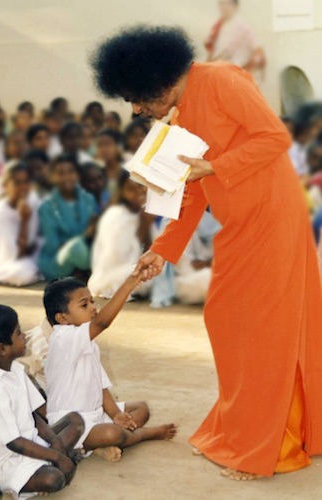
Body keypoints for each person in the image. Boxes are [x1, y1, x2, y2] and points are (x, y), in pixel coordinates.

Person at [91, 25, 322, 480]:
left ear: (159, 78)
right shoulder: (176, 115)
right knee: (227, 321)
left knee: (262, 332)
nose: (135, 108)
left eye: (136, 97)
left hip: (274, 221)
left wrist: (215, 165)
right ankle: (243, 430)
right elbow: (191, 190)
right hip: (239, 226)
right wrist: (162, 249)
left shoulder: (219, 80)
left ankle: (269, 448)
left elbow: (274, 138)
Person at [44, 277, 177, 461]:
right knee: (112, 434)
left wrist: (116, 415)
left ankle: (97, 446)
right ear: (62, 318)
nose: (93, 307)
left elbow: (101, 386)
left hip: (96, 415)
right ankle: (143, 434)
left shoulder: (87, 342)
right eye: (84, 305)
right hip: (70, 426)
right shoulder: (63, 338)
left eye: (92, 301)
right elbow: (102, 323)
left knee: (142, 408)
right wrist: (130, 283)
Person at [0, 305, 84, 497]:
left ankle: (54, 460)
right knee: (54, 479)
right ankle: (48, 467)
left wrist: (54, 441)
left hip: (31, 443)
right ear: (2, 349)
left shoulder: (15, 370)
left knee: (75, 421)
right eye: (18, 333)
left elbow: (34, 415)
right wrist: (57, 455)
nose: (25, 336)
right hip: (1, 462)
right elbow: (15, 444)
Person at [88, 170, 152, 299]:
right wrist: (144, 226)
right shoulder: (116, 216)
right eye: (130, 189)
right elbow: (120, 258)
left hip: (133, 269)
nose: (138, 192)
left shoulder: (144, 213)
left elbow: (150, 250)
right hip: (112, 277)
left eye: (141, 186)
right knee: (150, 277)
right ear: (121, 192)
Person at [38, 154, 97, 280]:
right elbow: (52, 245)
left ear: (77, 175)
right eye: (60, 173)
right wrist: (84, 235)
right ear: (52, 177)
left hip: (87, 254)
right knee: (76, 248)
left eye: (71, 172)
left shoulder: (88, 199)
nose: (66, 177)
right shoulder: (47, 207)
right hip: (58, 260)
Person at [204, 0, 265, 77]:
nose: (224, 7)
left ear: (235, 6)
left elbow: (257, 49)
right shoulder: (217, 26)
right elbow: (212, 50)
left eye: (228, 4)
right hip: (218, 71)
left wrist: (248, 67)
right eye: (222, 4)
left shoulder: (243, 27)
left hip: (235, 72)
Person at [95, 129, 124, 198]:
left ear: (117, 146)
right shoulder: (97, 172)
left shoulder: (127, 171)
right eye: (100, 145)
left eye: (108, 144)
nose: (104, 149)